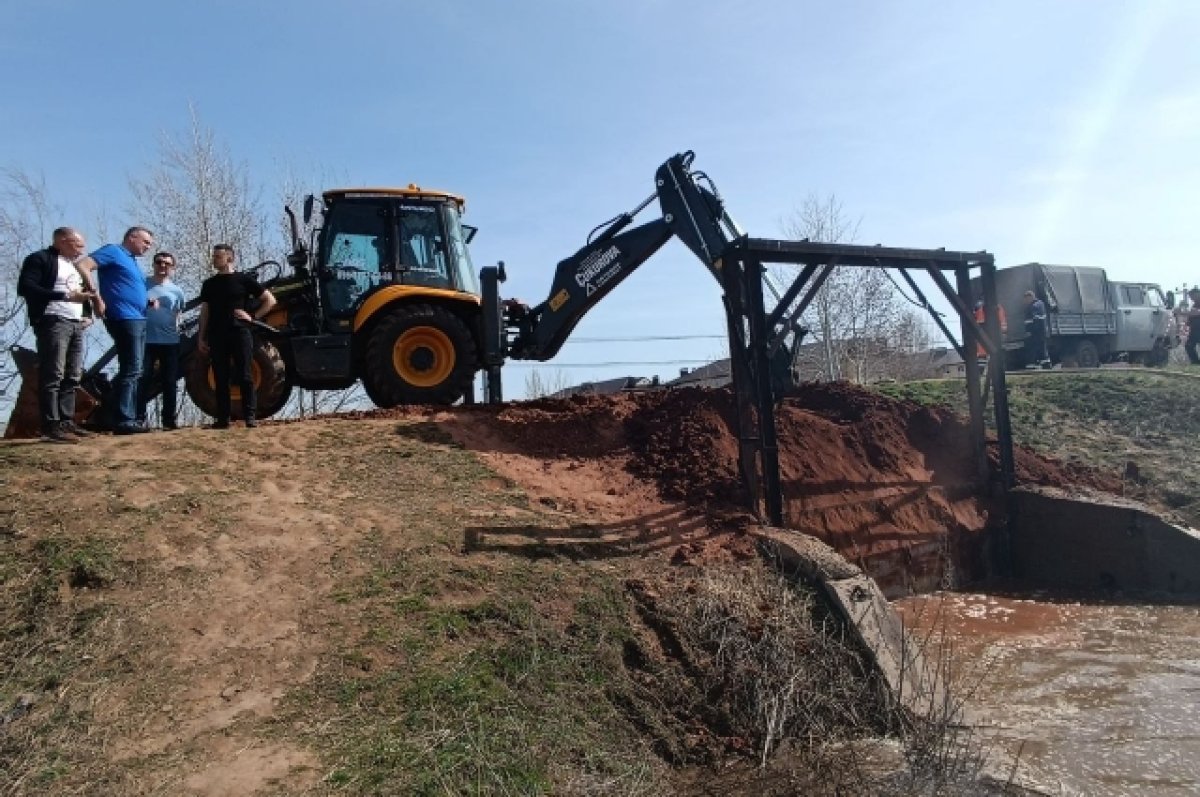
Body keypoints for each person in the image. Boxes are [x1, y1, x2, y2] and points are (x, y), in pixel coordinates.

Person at [16, 227, 99, 443]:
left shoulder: (72, 266)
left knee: (72, 375)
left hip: (75, 323)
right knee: (53, 373)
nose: (81, 250)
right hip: (53, 321)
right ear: (63, 240)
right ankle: (50, 425)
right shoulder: (40, 259)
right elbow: (26, 287)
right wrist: (63, 296)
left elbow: (80, 294)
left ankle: (66, 422)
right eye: (78, 245)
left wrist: (87, 313)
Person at [76, 226, 156, 434]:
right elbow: (83, 265)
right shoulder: (113, 251)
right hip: (124, 318)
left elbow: (126, 287)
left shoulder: (132, 261)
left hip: (137, 317)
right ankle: (123, 419)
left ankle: (112, 413)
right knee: (133, 368)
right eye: (145, 242)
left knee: (135, 368)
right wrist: (95, 297)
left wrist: (146, 301)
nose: (148, 247)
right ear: (132, 237)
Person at [197, 244, 276, 429]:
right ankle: (223, 419)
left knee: (245, 374)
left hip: (240, 332)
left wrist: (253, 317)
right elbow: (205, 312)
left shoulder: (243, 280)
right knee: (220, 376)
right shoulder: (209, 284)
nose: (214, 260)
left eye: (218, 256)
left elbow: (270, 300)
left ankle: (250, 417)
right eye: (214, 256)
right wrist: (201, 337)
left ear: (230, 258)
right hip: (217, 334)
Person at [137, 252, 187, 429]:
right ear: (153, 264)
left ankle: (169, 420)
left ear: (172, 268)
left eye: (167, 264)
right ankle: (138, 419)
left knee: (170, 381)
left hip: (170, 342)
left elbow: (178, 312)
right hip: (145, 341)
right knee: (143, 379)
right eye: (159, 262)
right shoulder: (141, 284)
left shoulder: (177, 291)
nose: (163, 266)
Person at [1022, 289, 1050, 368]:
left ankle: (1033, 365)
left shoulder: (1034, 306)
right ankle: (1045, 365)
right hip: (1041, 332)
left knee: (1034, 348)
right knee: (1042, 349)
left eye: (1026, 299)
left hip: (1035, 332)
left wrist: (1029, 331)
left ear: (1030, 297)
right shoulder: (1040, 304)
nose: (1025, 301)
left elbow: (1034, 321)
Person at [1186, 288, 1200, 365]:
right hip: (1195, 330)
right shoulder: (1194, 304)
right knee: (1189, 346)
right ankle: (1195, 362)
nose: (1191, 298)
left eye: (1192, 296)